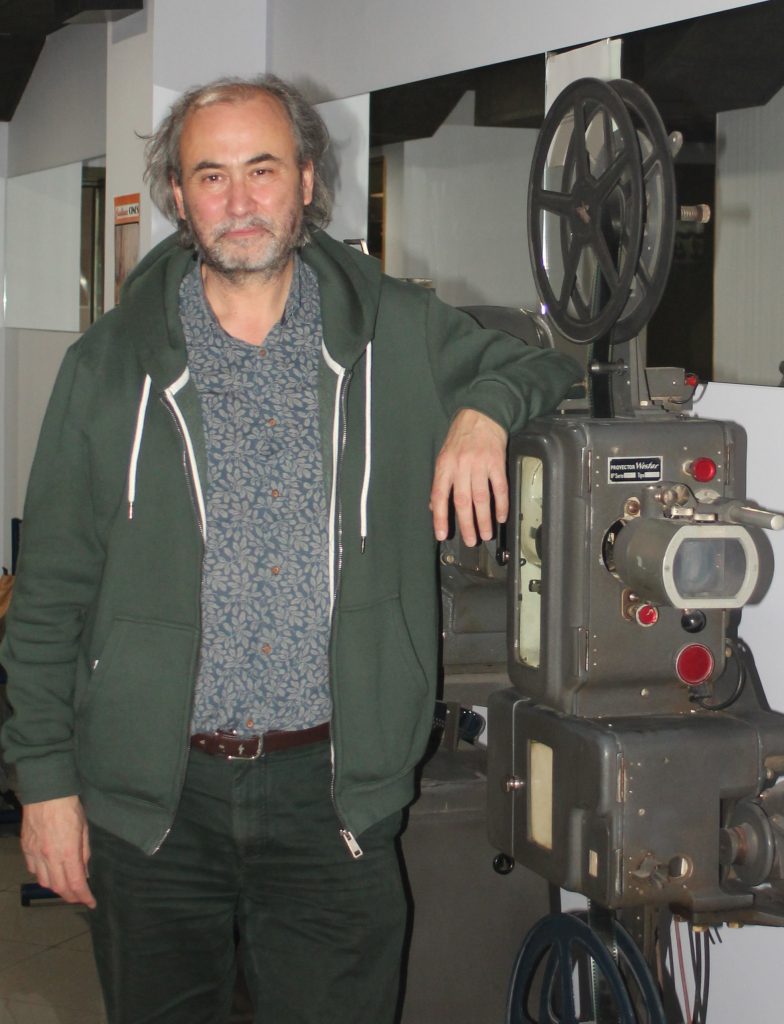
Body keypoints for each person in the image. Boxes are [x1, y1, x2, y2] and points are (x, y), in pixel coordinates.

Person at [0, 74, 578, 1023]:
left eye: (262, 169)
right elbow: (52, 594)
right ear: (179, 199)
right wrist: (47, 787)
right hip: (154, 798)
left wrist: (482, 410)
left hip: (331, 797)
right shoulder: (106, 369)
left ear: (308, 180)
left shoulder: (398, 332)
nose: (240, 201)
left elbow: (548, 360)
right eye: (211, 176)